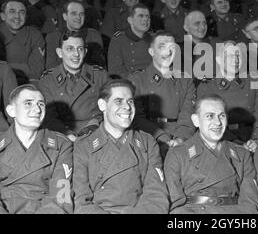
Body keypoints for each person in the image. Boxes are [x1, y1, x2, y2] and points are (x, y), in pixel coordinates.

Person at [73, 79, 169, 214]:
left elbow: (156, 197)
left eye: (130, 101)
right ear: (102, 105)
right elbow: (81, 201)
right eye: (119, 101)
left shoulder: (148, 143)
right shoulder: (84, 146)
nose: (127, 107)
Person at [164, 94, 258, 213]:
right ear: (196, 120)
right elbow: (175, 205)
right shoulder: (177, 155)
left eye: (222, 116)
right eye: (210, 116)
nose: (218, 122)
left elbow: (251, 204)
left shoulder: (242, 154)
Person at [0, 84, 73, 214]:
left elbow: (62, 197)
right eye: (28, 103)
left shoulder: (61, 145)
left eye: (41, 104)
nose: (37, 110)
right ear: (11, 111)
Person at [197, 41, 258, 152]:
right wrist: (235, 144)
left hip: (251, 138)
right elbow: (206, 124)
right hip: (220, 141)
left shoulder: (253, 82)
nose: (235, 60)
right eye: (229, 56)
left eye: (238, 55)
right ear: (218, 60)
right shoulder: (207, 87)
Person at [128, 31, 196, 155]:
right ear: (151, 52)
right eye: (162, 47)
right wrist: (162, 138)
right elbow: (137, 118)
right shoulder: (137, 80)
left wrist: (181, 138)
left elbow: (188, 115)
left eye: (172, 47)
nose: (168, 52)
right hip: (148, 137)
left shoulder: (185, 80)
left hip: (181, 138)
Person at [39, 31, 109, 141]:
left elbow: (110, 109)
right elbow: (48, 117)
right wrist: (67, 135)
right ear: (60, 52)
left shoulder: (100, 75)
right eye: (70, 49)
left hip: (95, 133)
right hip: (61, 135)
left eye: (80, 49)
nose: (76, 54)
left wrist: (92, 128)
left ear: (85, 52)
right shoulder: (48, 79)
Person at [45, 0, 105, 70]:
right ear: (65, 16)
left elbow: (100, 67)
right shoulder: (53, 38)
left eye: (81, 14)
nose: (78, 17)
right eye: (74, 14)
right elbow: (51, 67)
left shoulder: (94, 35)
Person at [0, 0, 45, 84]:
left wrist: (5, 66)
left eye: (22, 12)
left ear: (26, 16)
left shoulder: (34, 35)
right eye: (12, 11)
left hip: (27, 85)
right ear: (3, 16)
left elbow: (35, 71)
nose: (17, 16)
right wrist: (25, 67)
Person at [108, 3, 152, 79]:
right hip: (129, 82)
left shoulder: (154, 39)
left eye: (148, 16)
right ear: (130, 20)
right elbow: (115, 70)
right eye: (141, 16)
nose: (145, 19)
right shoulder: (119, 39)